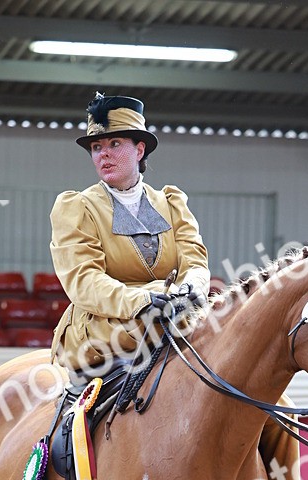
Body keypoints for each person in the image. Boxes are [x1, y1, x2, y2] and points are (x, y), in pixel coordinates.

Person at [49, 93, 210, 375]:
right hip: (103, 326)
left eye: (114, 143)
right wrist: (142, 300)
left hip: (171, 313)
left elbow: (194, 262)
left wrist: (193, 286)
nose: (103, 154)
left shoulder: (172, 203)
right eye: (97, 147)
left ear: (139, 150)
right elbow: (84, 281)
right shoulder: (76, 207)